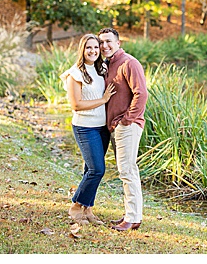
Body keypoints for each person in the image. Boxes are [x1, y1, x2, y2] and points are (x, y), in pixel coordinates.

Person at [97, 27, 148, 233]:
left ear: (118, 43)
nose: (104, 46)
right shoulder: (108, 64)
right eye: (101, 42)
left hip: (128, 125)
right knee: (125, 170)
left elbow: (141, 94)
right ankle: (130, 214)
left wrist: (127, 120)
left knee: (127, 170)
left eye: (109, 41)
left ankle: (133, 218)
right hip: (115, 127)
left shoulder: (129, 63)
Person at [62, 32, 111, 225]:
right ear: (82, 49)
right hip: (85, 127)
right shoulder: (75, 73)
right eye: (89, 47)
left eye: (96, 47)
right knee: (97, 169)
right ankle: (76, 206)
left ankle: (88, 210)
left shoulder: (101, 69)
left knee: (89, 169)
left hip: (102, 128)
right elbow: (76, 105)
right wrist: (103, 100)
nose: (93, 51)